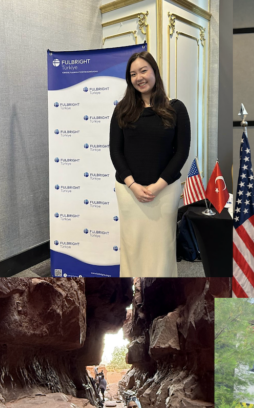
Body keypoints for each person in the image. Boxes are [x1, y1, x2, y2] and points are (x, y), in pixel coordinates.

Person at [109, 50, 190, 278]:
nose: (139, 77)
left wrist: (158, 186)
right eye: (133, 74)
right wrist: (133, 185)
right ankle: (131, 296)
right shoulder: (122, 110)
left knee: (162, 248)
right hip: (128, 191)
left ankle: (163, 297)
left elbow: (181, 152)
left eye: (144, 70)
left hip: (164, 191)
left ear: (154, 72)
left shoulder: (176, 108)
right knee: (132, 247)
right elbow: (115, 151)